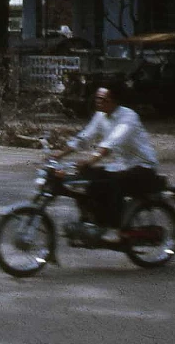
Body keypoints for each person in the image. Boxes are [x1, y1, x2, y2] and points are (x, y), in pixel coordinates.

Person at [51, 86, 160, 243]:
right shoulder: (101, 116)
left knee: (111, 183)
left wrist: (89, 160)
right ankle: (93, 222)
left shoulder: (128, 117)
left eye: (102, 99)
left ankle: (114, 226)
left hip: (143, 167)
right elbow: (85, 137)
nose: (98, 102)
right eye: (97, 98)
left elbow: (112, 142)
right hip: (122, 165)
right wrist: (60, 154)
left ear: (114, 101)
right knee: (88, 178)